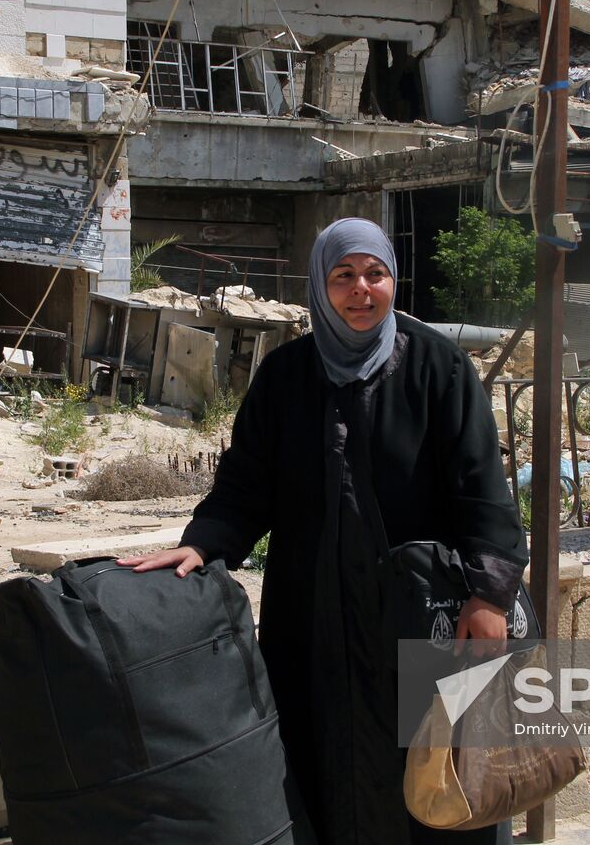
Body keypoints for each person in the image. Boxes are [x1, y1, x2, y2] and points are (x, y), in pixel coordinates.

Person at [120, 217, 528, 844]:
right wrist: (202, 542)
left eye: (375, 274)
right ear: (319, 284)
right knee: (325, 767)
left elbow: (482, 486)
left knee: (443, 776)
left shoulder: (436, 368)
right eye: (343, 276)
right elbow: (246, 485)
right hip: (315, 619)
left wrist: (491, 593)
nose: (360, 290)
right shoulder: (286, 378)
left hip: (423, 619)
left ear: (394, 280)